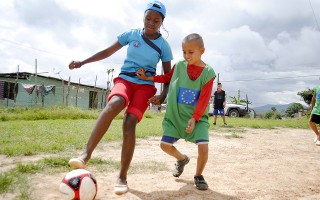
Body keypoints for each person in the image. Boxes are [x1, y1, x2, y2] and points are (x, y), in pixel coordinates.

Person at [68, 1, 173, 195]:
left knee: (129, 122)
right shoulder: (131, 35)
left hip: (145, 86)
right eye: (148, 18)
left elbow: (168, 76)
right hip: (125, 79)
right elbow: (107, 51)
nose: (151, 23)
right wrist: (82, 62)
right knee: (115, 103)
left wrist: (163, 95)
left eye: (156, 20)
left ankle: (122, 176)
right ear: (143, 17)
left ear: (162, 22)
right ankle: (85, 154)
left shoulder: (163, 46)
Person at [137, 33, 216, 190]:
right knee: (164, 146)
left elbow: (204, 99)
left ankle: (198, 176)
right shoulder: (179, 66)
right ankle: (182, 159)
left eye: (191, 52)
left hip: (197, 118)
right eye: (184, 52)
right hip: (176, 116)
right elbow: (167, 78)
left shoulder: (208, 73)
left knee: (203, 148)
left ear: (202, 51)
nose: (186, 56)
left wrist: (195, 118)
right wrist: (148, 78)